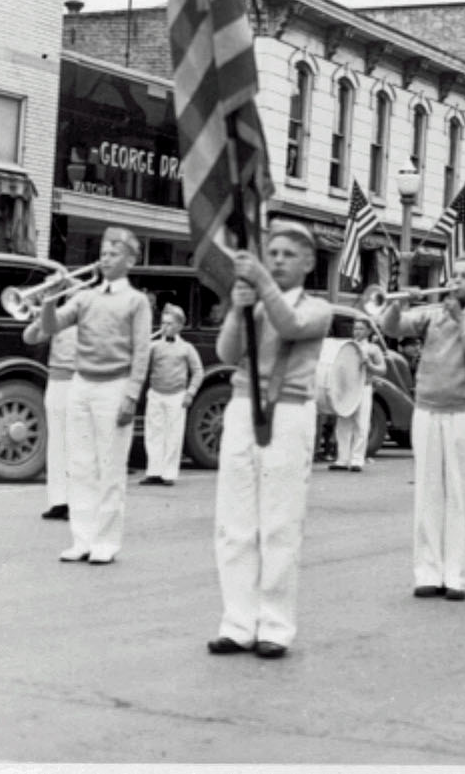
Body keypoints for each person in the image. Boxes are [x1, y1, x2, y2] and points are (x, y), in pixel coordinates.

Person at [206, 221, 332, 659]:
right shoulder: (256, 303)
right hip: (243, 406)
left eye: (287, 254)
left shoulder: (319, 307)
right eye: (272, 253)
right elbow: (226, 354)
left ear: (309, 263)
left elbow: (292, 324)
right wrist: (238, 309)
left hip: (289, 411)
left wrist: (260, 283)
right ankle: (238, 621)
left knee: (279, 522)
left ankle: (274, 625)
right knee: (235, 521)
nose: (277, 260)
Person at [381, 253, 465, 598]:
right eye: (453, 274)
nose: (455, 281)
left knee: (460, 494)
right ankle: (428, 573)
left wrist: (460, 321)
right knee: (428, 493)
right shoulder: (432, 314)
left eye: (464, 276)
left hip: (463, 412)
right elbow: (392, 327)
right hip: (427, 410)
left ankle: (456, 576)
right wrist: (398, 300)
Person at [37, 227, 149, 565]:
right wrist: (49, 298)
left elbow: (142, 351)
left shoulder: (136, 301)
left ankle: (106, 541)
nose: (105, 257)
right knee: (80, 464)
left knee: (110, 466)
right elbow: (53, 325)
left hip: (115, 385)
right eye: (102, 251)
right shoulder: (85, 297)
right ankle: (81, 539)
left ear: (130, 260)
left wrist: (132, 395)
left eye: (114, 252)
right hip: (81, 384)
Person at [23, 313, 78, 521]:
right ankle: (59, 501)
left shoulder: (91, 313)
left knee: (75, 444)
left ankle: (76, 501)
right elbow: (29, 337)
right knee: (56, 444)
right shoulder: (60, 317)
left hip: (79, 381)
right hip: (56, 381)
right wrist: (43, 314)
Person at [141, 304, 203, 486]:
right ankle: (154, 472)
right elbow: (142, 364)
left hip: (176, 395)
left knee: (173, 435)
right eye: (163, 323)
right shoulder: (154, 346)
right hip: (156, 394)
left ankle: (168, 474)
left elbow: (198, 371)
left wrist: (190, 393)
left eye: (169, 323)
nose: (165, 327)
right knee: (154, 434)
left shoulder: (187, 348)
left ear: (179, 326)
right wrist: (142, 346)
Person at [332, 317, 386, 473]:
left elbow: (383, 369)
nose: (357, 331)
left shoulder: (373, 349)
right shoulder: (347, 346)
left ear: (368, 331)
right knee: (343, 423)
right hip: (347, 388)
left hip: (364, 387)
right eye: (355, 328)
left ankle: (357, 460)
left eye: (361, 328)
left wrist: (369, 365)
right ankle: (342, 459)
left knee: (361, 424)